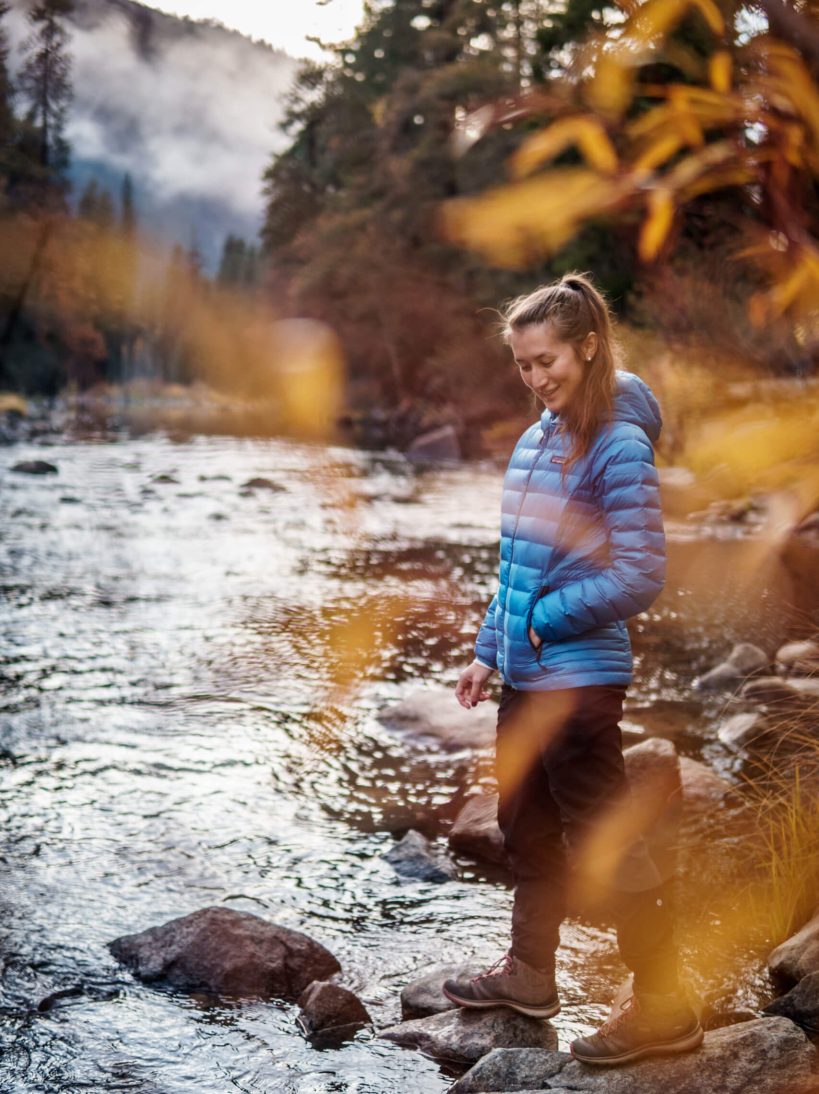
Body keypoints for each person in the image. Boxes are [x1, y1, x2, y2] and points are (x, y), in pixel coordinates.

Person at [442, 273, 704, 1066]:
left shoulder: (617, 445)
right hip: (526, 675)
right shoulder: (536, 440)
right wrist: (492, 649)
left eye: (545, 359)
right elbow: (517, 567)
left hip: (582, 679)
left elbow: (638, 575)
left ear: (587, 348)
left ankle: (664, 1004)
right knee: (524, 823)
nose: (534, 377)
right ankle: (528, 974)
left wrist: (539, 623)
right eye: (522, 364)